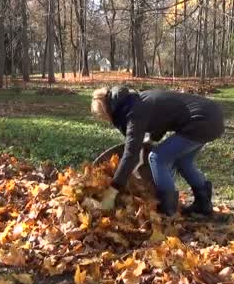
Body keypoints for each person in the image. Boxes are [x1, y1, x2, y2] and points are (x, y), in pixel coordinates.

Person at [91, 86, 225, 216]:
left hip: (201, 121)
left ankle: (167, 210)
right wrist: (151, 140)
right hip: (211, 115)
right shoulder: (136, 100)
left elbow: (131, 154)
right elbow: (163, 117)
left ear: (108, 111)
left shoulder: (134, 112)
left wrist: (113, 191)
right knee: (183, 161)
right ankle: (203, 203)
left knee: (157, 158)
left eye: (105, 118)